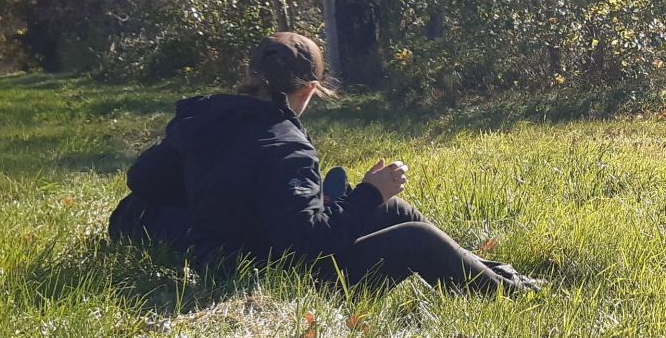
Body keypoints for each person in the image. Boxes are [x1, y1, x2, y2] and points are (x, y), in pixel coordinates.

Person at [111, 32, 540, 294]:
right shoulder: (286, 146)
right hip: (270, 269)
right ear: (310, 90)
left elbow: (144, 181)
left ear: (249, 74)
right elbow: (308, 244)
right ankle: (510, 294)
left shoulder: (204, 118)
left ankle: (483, 269)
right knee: (416, 238)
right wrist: (368, 192)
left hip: (224, 248)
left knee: (393, 210)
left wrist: (219, 190)